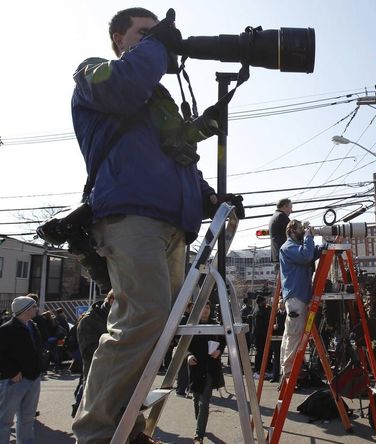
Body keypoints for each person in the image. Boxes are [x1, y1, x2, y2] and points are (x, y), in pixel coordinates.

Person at [70, 8, 221, 443]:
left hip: (173, 224)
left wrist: (209, 196)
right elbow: (124, 85)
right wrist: (157, 45)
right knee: (144, 317)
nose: (158, 39)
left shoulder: (156, 98)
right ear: (119, 39)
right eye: (145, 32)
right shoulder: (94, 74)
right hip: (130, 216)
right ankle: (95, 432)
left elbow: (178, 154)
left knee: (157, 327)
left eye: (159, 33)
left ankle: (126, 423)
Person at [279, 219, 323, 380]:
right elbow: (307, 255)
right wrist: (309, 236)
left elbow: (311, 252)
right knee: (295, 333)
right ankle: (289, 370)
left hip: (298, 296)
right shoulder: (288, 247)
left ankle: (286, 368)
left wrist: (327, 245)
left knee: (290, 333)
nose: (302, 231)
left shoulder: (294, 247)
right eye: (300, 229)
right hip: (296, 296)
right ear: (291, 231)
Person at [0, 295, 42, 444]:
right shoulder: (7, 329)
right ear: (24, 310)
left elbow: (37, 349)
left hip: (33, 378)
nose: (36, 309)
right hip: (15, 381)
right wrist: (11, 371)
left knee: (27, 419)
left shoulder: (32, 326)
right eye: (33, 306)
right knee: (5, 420)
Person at [187, 302, 225, 444]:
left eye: (208, 307)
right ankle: (200, 424)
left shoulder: (215, 325)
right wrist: (188, 356)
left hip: (210, 368)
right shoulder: (191, 326)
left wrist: (219, 351)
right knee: (196, 399)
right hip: (196, 367)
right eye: (203, 307)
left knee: (204, 401)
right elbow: (184, 345)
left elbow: (223, 341)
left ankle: (199, 434)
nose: (205, 310)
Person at [73, 290, 115, 417]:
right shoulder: (89, 321)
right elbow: (89, 353)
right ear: (112, 301)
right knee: (94, 420)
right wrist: (119, 347)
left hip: (117, 376)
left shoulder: (119, 318)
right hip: (97, 379)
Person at [251, 296, 271, 378]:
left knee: (261, 353)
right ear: (261, 302)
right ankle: (258, 369)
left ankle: (260, 369)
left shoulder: (258, 310)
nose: (265, 302)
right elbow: (261, 325)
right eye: (264, 301)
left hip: (259, 336)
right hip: (260, 336)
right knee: (260, 353)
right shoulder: (259, 311)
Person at [269, 198, 293, 263]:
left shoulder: (274, 216)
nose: (291, 210)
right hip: (284, 256)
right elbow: (294, 231)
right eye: (290, 208)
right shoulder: (281, 216)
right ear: (284, 206)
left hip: (277, 256)